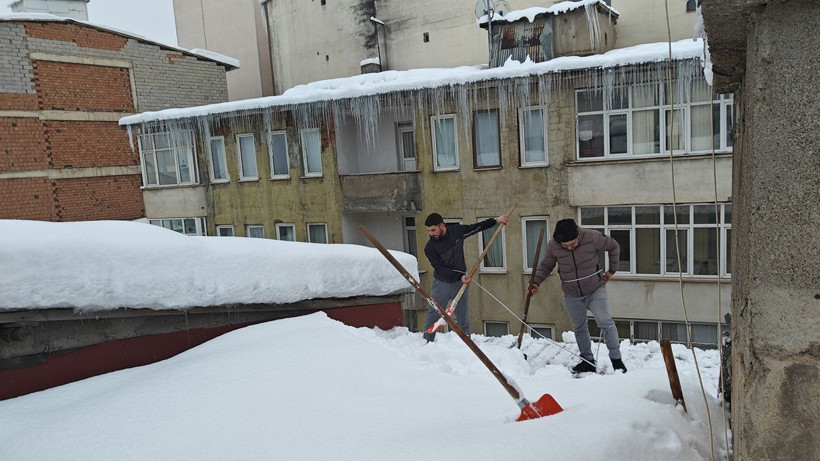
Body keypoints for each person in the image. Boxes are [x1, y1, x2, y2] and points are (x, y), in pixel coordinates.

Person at [527, 218, 627, 374]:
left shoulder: (592, 237)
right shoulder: (553, 246)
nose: (569, 248)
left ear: (578, 235)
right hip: (572, 293)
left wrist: (612, 270)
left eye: (572, 244)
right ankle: (588, 361)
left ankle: (617, 361)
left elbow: (614, 246)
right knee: (579, 327)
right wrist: (536, 282)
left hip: (595, 289)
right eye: (565, 246)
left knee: (605, 321)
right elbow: (546, 265)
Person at [423, 212, 509, 342]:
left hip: (460, 282)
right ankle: (427, 341)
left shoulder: (456, 232)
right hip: (442, 283)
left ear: (442, 225)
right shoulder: (430, 247)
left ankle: (466, 342)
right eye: (429, 231)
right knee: (434, 313)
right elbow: (440, 269)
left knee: (462, 315)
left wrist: (495, 221)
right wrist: (460, 276)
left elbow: (475, 227)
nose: (431, 233)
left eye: (433, 230)